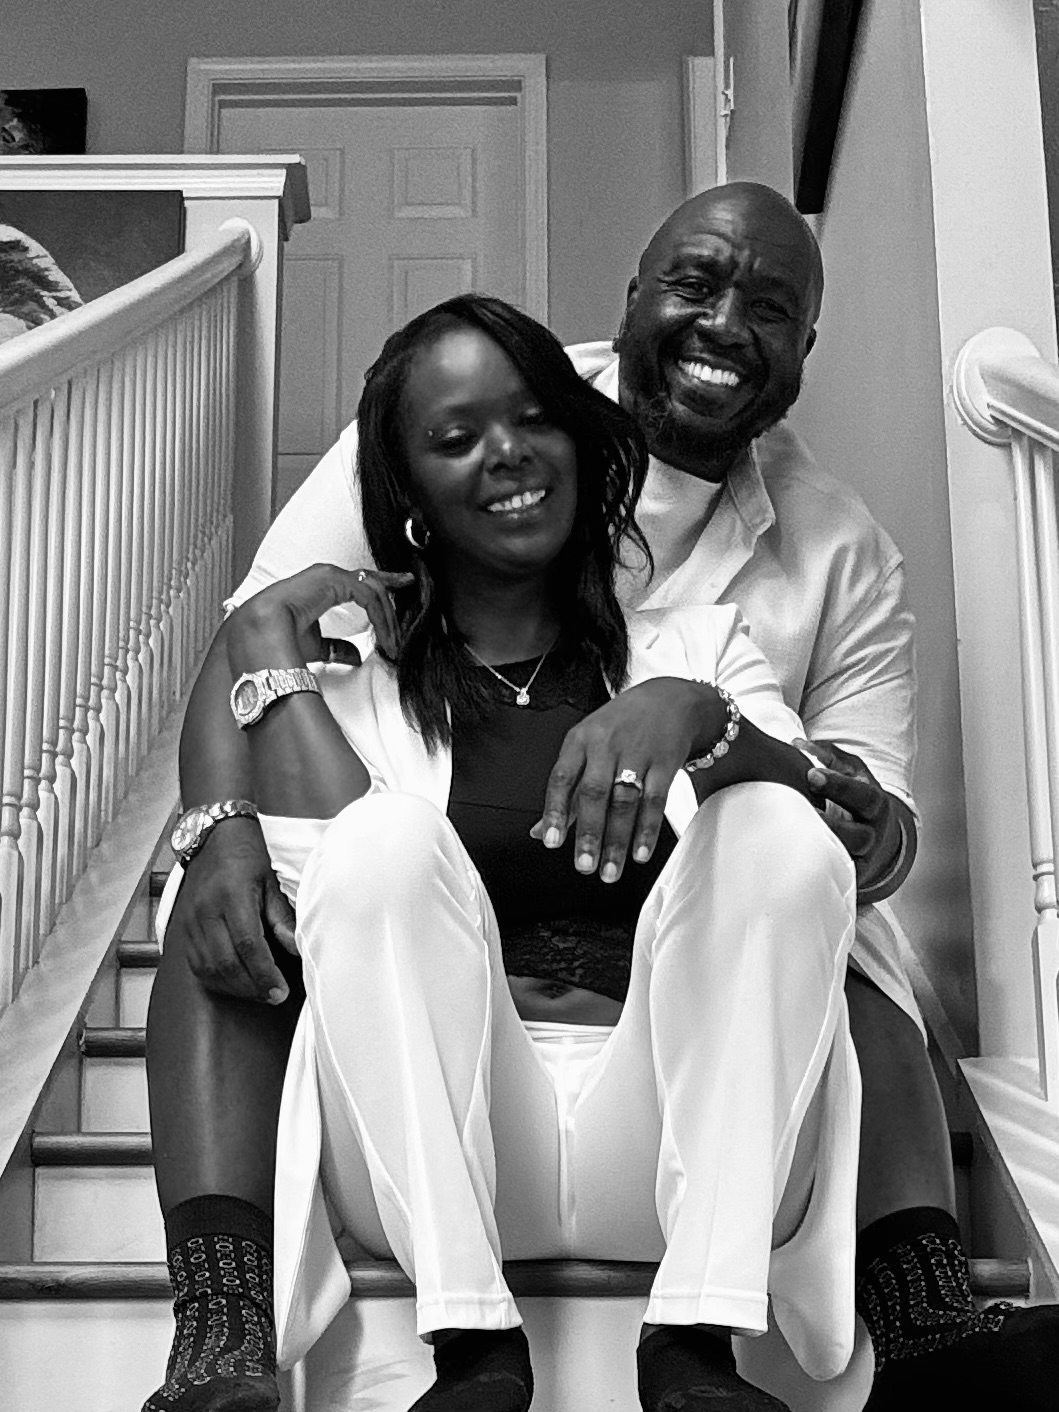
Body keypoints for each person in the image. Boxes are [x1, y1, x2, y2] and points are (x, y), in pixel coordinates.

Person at [147, 184, 1057, 1411]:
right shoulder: (360, 654)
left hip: (669, 1086)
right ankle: (433, 1349)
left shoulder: (749, 610)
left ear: (594, 458)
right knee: (353, 853)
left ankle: (733, 1333)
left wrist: (700, 713)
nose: (509, 455)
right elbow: (257, 662)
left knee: (803, 861)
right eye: (459, 441)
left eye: (771, 304)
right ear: (404, 487)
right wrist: (218, 820)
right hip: (454, 1110)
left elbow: (857, 827)